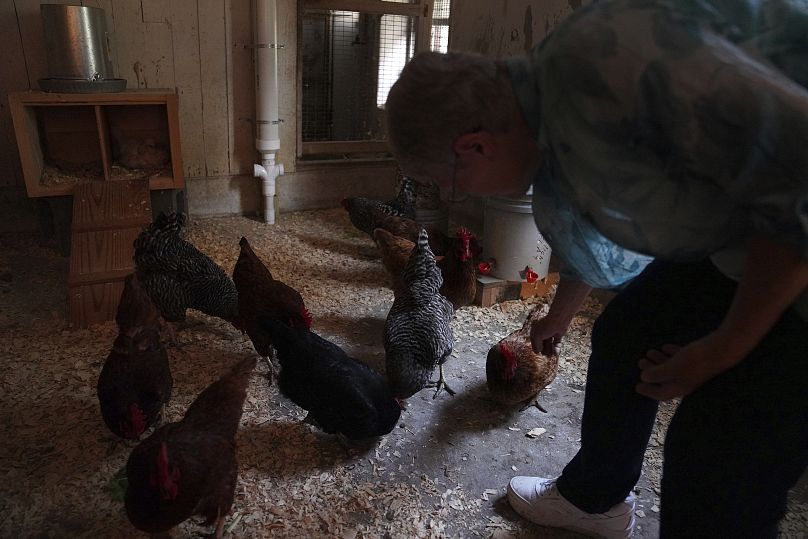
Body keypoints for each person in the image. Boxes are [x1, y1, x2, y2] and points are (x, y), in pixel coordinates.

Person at [385, 1, 808, 537]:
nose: (459, 195)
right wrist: (559, 316)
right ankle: (594, 498)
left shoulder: (611, 72)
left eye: (452, 183)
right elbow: (598, 230)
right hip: (744, 239)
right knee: (625, 335)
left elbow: (797, 183)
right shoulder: (547, 113)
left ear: (475, 146)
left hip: (791, 250)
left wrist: (723, 347)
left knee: (714, 464)